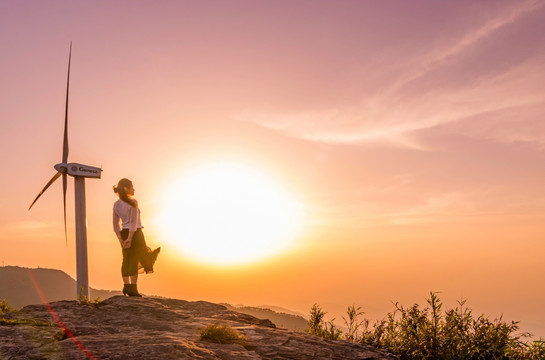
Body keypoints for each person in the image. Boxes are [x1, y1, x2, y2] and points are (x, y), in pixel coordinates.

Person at [112, 178, 160, 297]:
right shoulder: (133, 202)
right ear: (125, 188)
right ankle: (133, 289)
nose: (134, 189)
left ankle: (126, 286)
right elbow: (133, 223)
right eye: (131, 186)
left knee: (126, 259)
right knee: (135, 259)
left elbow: (115, 225)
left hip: (124, 233)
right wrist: (130, 238)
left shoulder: (116, 204)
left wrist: (121, 239)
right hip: (135, 233)